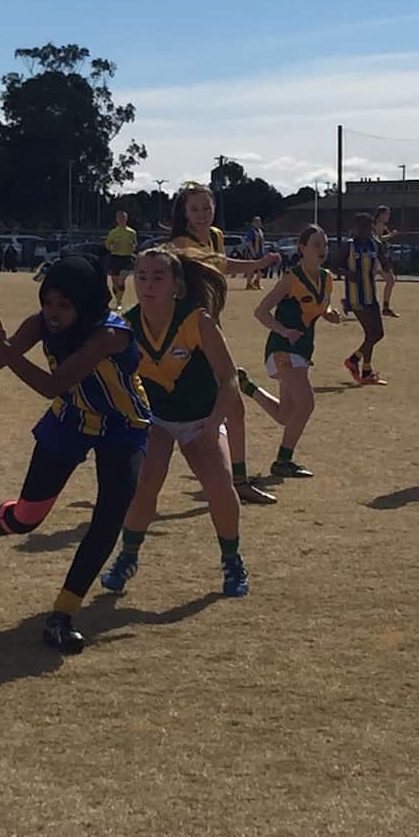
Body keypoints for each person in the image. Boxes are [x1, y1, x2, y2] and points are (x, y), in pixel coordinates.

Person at [0, 257, 151, 653]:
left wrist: (4, 353)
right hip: (70, 420)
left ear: (87, 303)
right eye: (48, 302)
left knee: (108, 520)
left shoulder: (110, 334)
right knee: (27, 517)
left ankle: (62, 615)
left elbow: (51, 384)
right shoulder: (39, 323)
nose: (53, 312)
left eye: (64, 304)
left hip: (123, 428)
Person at [100, 247, 248, 597]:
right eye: (142, 277)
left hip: (201, 418)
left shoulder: (197, 321)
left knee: (219, 486)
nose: (148, 285)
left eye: (158, 277)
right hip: (157, 419)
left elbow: (229, 378)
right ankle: (127, 556)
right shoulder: (126, 326)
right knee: (145, 481)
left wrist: (215, 422)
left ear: (176, 286)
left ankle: (232, 560)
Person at [169, 184, 280, 505]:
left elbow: (222, 262)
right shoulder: (180, 244)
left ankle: (236, 478)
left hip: (211, 331)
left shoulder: (215, 235)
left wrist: (257, 263)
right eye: (195, 209)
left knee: (231, 408)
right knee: (191, 411)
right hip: (189, 336)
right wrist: (259, 264)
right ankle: (235, 479)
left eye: (206, 208)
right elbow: (221, 264)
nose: (202, 215)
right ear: (184, 213)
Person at [241, 224, 341, 479]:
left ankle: (248, 387)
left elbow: (320, 307)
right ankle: (283, 461)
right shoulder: (290, 279)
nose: (322, 250)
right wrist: (284, 331)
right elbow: (261, 312)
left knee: (286, 415)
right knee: (306, 404)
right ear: (302, 248)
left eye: (325, 245)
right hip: (282, 349)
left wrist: (329, 315)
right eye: (316, 245)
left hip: (303, 350)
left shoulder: (327, 278)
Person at [341, 212, 388, 387]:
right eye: (361, 226)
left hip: (371, 294)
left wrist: (387, 265)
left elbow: (383, 260)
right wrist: (347, 273)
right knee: (372, 334)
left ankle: (361, 366)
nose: (365, 230)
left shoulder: (375, 244)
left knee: (377, 334)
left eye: (368, 226)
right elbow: (334, 266)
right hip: (356, 297)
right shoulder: (349, 246)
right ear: (355, 228)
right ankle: (357, 364)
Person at [104, 209, 137, 311]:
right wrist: (112, 246)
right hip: (115, 258)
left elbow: (135, 244)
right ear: (117, 220)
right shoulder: (113, 232)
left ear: (126, 219)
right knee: (115, 283)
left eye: (123, 218)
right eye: (120, 218)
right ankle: (118, 300)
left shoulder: (131, 232)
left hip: (126, 258)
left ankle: (119, 301)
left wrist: (132, 246)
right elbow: (107, 244)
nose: (122, 220)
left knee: (122, 278)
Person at [373, 205, 400, 317]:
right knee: (390, 280)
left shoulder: (380, 224)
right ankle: (385, 307)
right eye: (387, 214)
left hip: (378, 256)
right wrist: (391, 235)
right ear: (381, 214)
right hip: (378, 258)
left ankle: (350, 302)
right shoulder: (378, 224)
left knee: (366, 281)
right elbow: (379, 239)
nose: (388, 216)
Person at [242, 216, 267, 290]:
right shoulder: (251, 231)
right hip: (253, 253)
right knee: (252, 269)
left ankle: (257, 282)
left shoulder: (260, 231)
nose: (258, 223)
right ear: (253, 223)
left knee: (262, 269)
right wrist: (253, 252)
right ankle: (248, 284)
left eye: (259, 222)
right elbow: (249, 242)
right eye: (256, 222)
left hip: (261, 252)